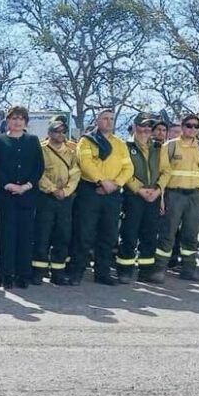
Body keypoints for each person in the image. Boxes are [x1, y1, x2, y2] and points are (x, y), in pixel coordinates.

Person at [71, 109, 133, 286]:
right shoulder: (87, 141)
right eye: (105, 118)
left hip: (112, 193)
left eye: (112, 119)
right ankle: (77, 271)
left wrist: (116, 184)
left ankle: (103, 273)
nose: (109, 122)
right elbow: (86, 163)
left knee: (109, 234)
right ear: (97, 121)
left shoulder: (120, 144)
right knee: (84, 233)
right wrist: (101, 181)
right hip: (90, 191)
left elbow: (128, 169)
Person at [154, 114, 199, 282]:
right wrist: (162, 198)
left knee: (191, 234)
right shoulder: (170, 146)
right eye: (188, 125)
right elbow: (162, 173)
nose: (192, 129)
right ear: (182, 126)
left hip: (194, 195)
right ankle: (159, 269)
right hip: (174, 194)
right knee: (167, 233)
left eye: (196, 126)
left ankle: (189, 269)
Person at [0, 106, 44, 289]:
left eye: (21, 118)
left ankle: (23, 274)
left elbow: (39, 167)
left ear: (26, 122)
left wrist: (27, 185)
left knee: (25, 237)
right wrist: (8, 185)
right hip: (6, 197)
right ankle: (6, 274)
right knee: (7, 238)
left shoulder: (33, 140)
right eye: (14, 118)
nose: (18, 122)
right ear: (8, 121)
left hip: (27, 197)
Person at [33, 118, 79, 286]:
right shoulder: (41, 150)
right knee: (42, 234)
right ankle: (38, 271)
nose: (60, 134)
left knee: (63, 235)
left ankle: (58, 272)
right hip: (46, 197)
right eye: (56, 131)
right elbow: (38, 173)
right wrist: (52, 189)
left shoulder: (71, 152)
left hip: (65, 199)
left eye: (62, 131)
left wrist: (66, 191)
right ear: (49, 133)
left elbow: (75, 174)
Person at [117, 114, 162, 284]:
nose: (145, 131)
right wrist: (139, 189)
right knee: (129, 233)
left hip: (153, 196)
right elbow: (124, 171)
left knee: (150, 234)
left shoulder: (158, 147)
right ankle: (125, 270)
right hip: (133, 196)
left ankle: (146, 271)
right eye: (142, 127)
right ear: (135, 127)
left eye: (149, 128)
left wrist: (158, 189)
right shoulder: (125, 146)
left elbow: (166, 171)